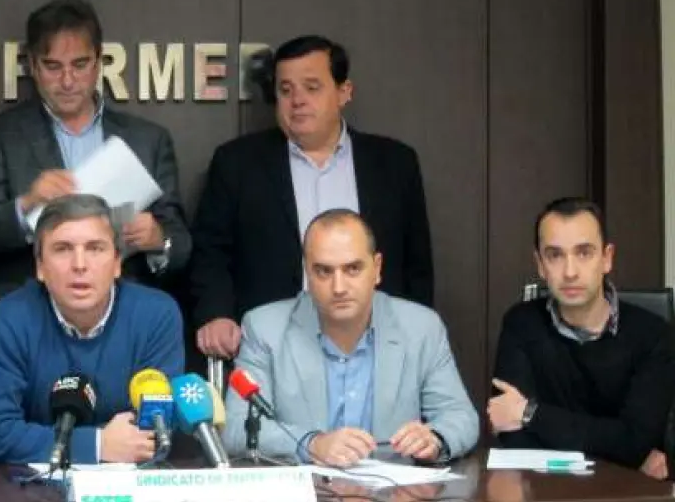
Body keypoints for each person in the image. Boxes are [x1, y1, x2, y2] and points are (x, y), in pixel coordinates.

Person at [189, 34, 432, 363]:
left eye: (312, 87)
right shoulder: (237, 163)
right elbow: (210, 253)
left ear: (344, 92)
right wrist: (216, 314)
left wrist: (414, 339)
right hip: (273, 350)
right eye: (285, 90)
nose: (297, 100)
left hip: (374, 349)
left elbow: (417, 266)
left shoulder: (394, 163)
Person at [0, 0, 190, 321]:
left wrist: (157, 239)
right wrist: (26, 205)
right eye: (53, 66)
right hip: (26, 310)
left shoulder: (147, 140)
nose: (67, 81)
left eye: (80, 65)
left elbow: (180, 245)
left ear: (98, 62)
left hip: (122, 313)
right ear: (33, 66)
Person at [221, 208, 476, 465]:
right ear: (307, 272)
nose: (339, 287)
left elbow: (460, 417)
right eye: (324, 271)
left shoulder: (420, 327)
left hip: (395, 485)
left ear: (377, 268)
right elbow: (236, 428)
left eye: (353, 269)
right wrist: (312, 444)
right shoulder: (265, 329)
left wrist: (434, 439)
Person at [0, 194, 184, 464]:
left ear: (117, 263)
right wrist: (96, 445)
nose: (79, 265)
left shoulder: (156, 315)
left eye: (95, 248)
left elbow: (156, 432)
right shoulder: (8, 320)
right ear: (40, 267)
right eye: (63, 249)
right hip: (30, 484)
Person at [489, 197, 675, 480]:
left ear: (606, 258)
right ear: (540, 264)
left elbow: (634, 441)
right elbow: (514, 438)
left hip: (629, 494)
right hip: (544, 492)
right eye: (555, 255)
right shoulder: (521, 324)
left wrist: (530, 414)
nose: (570, 272)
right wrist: (620, 451)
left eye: (584, 253)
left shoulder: (653, 334)